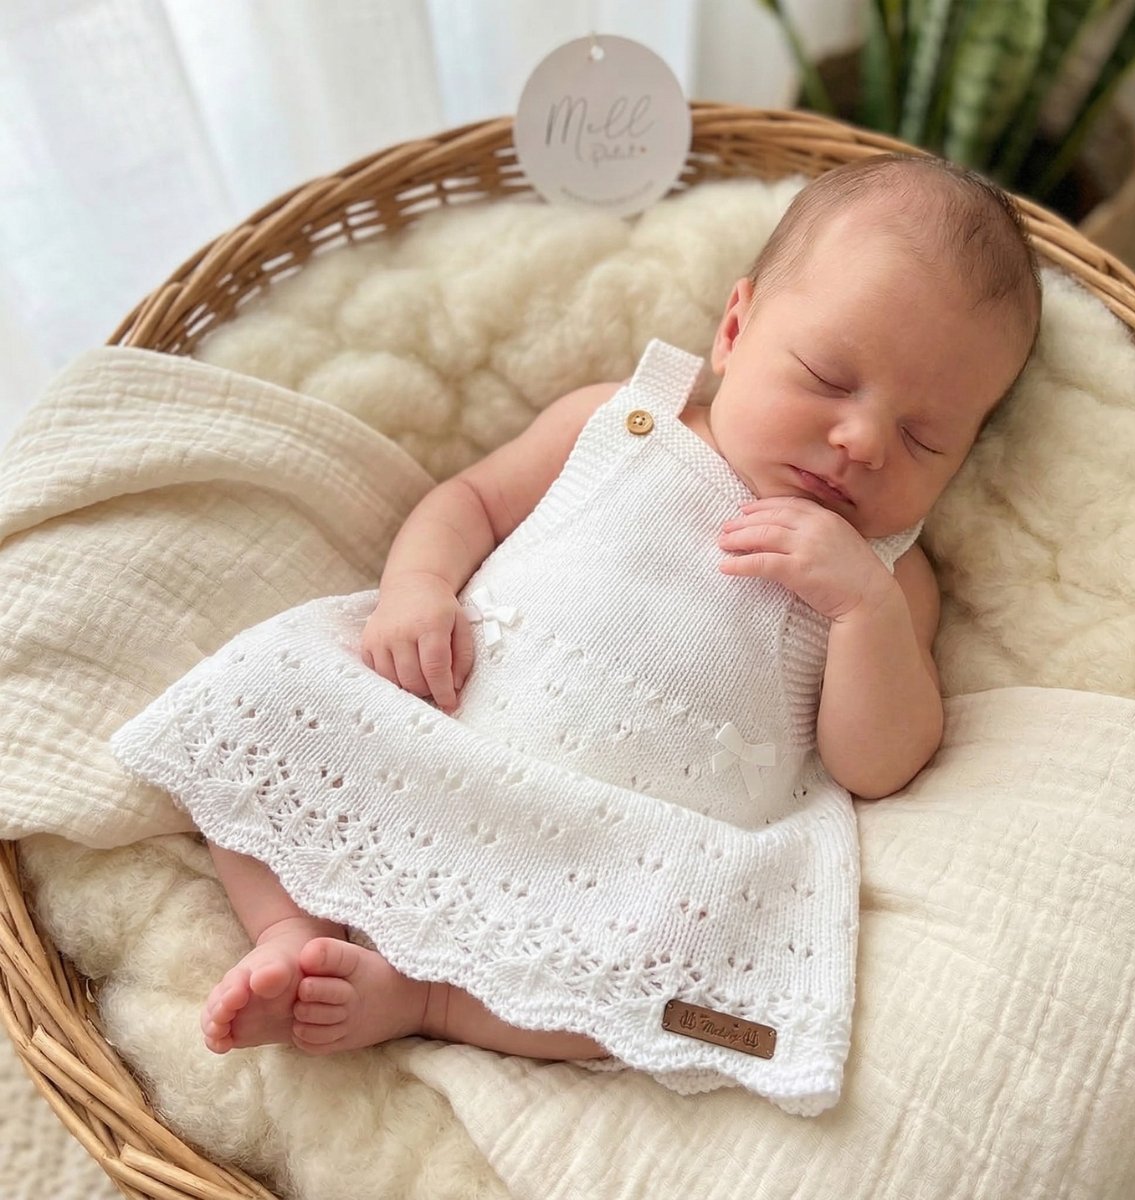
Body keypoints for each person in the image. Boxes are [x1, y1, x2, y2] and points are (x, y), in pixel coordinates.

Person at [115, 152, 1041, 1109]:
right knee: (269, 697)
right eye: (828, 377)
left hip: (619, 860)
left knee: (688, 983)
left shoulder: (888, 578)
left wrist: (860, 609)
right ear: (736, 329)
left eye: (925, 438)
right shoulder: (622, 422)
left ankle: (426, 999)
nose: (863, 442)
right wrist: (417, 590)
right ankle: (291, 931)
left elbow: (877, 765)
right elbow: (472, 501)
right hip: (432, 744)